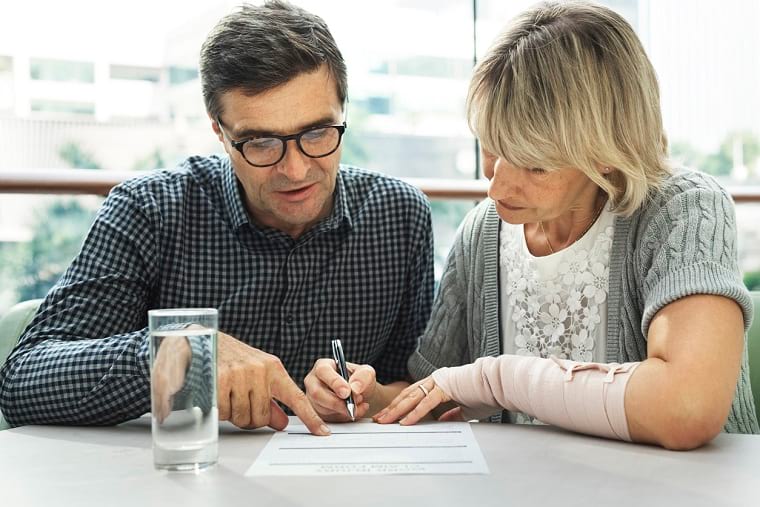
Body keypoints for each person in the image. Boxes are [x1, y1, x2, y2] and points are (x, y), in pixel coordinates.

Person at [0, 1, 434, 435]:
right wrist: (182, 352)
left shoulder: (399, 216)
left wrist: (365, 395)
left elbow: (415, 386)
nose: (296, 170)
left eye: (317, 133)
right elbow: (21, 383)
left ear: (344, 112)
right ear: (219, 133)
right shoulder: (150, 211)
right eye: (261, 142)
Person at [374, 0, 759, 450]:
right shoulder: (483, 232)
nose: (496, 188)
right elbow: (436, 394)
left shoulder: (684, 209)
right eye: (492, 148)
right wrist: (370, 399)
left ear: (608, 151)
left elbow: (687, 409)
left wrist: (499, 377)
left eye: (534, 166)